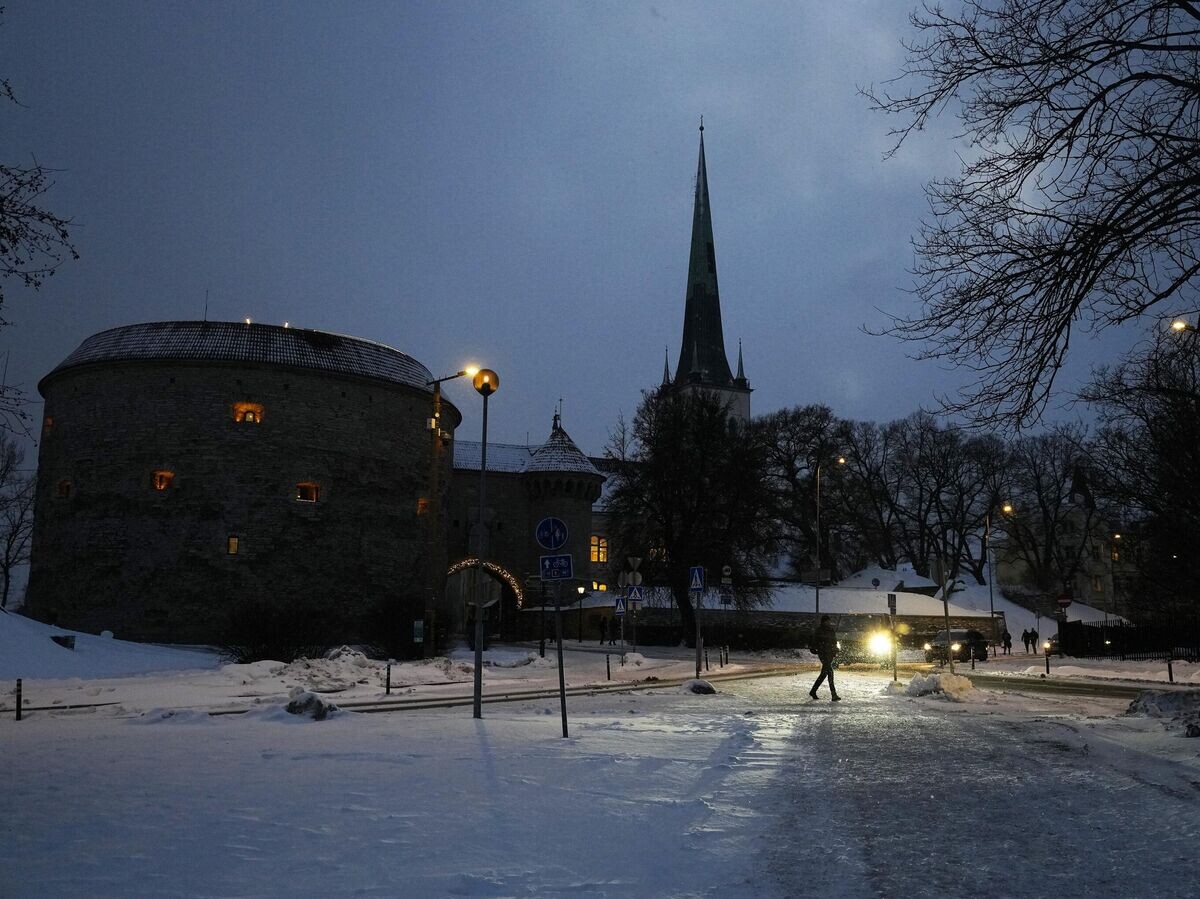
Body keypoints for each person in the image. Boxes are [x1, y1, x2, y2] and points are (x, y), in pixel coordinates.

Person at [809, 615, 841, 701]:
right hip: (823, 653)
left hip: (829, 653)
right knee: (830, 672)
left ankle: (813, 691)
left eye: (829, 621)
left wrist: (835, 649)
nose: (828, 622)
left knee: (824, 674)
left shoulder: (831, 630)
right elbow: (815, 640)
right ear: (823, 621)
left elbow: (834, 641)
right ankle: (833, 694)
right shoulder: (819, 630)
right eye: (827, 621)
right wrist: (813, 648)